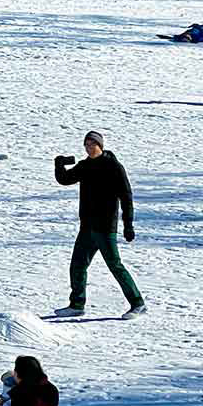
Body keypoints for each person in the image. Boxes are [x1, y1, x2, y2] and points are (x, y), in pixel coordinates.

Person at [53, 131, 146, 319]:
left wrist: (128, 224)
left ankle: (138, 303)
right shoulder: (85, 166)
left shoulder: (113, 166)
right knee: (77, 265)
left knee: (115, 265)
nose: (88, 148)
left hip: (105, 227)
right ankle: (77, 304)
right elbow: (65, 179)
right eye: (86, 145)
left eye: (92, 144)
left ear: (100, 145)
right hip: (87, 226)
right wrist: (59, 164)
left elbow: (126, 196)